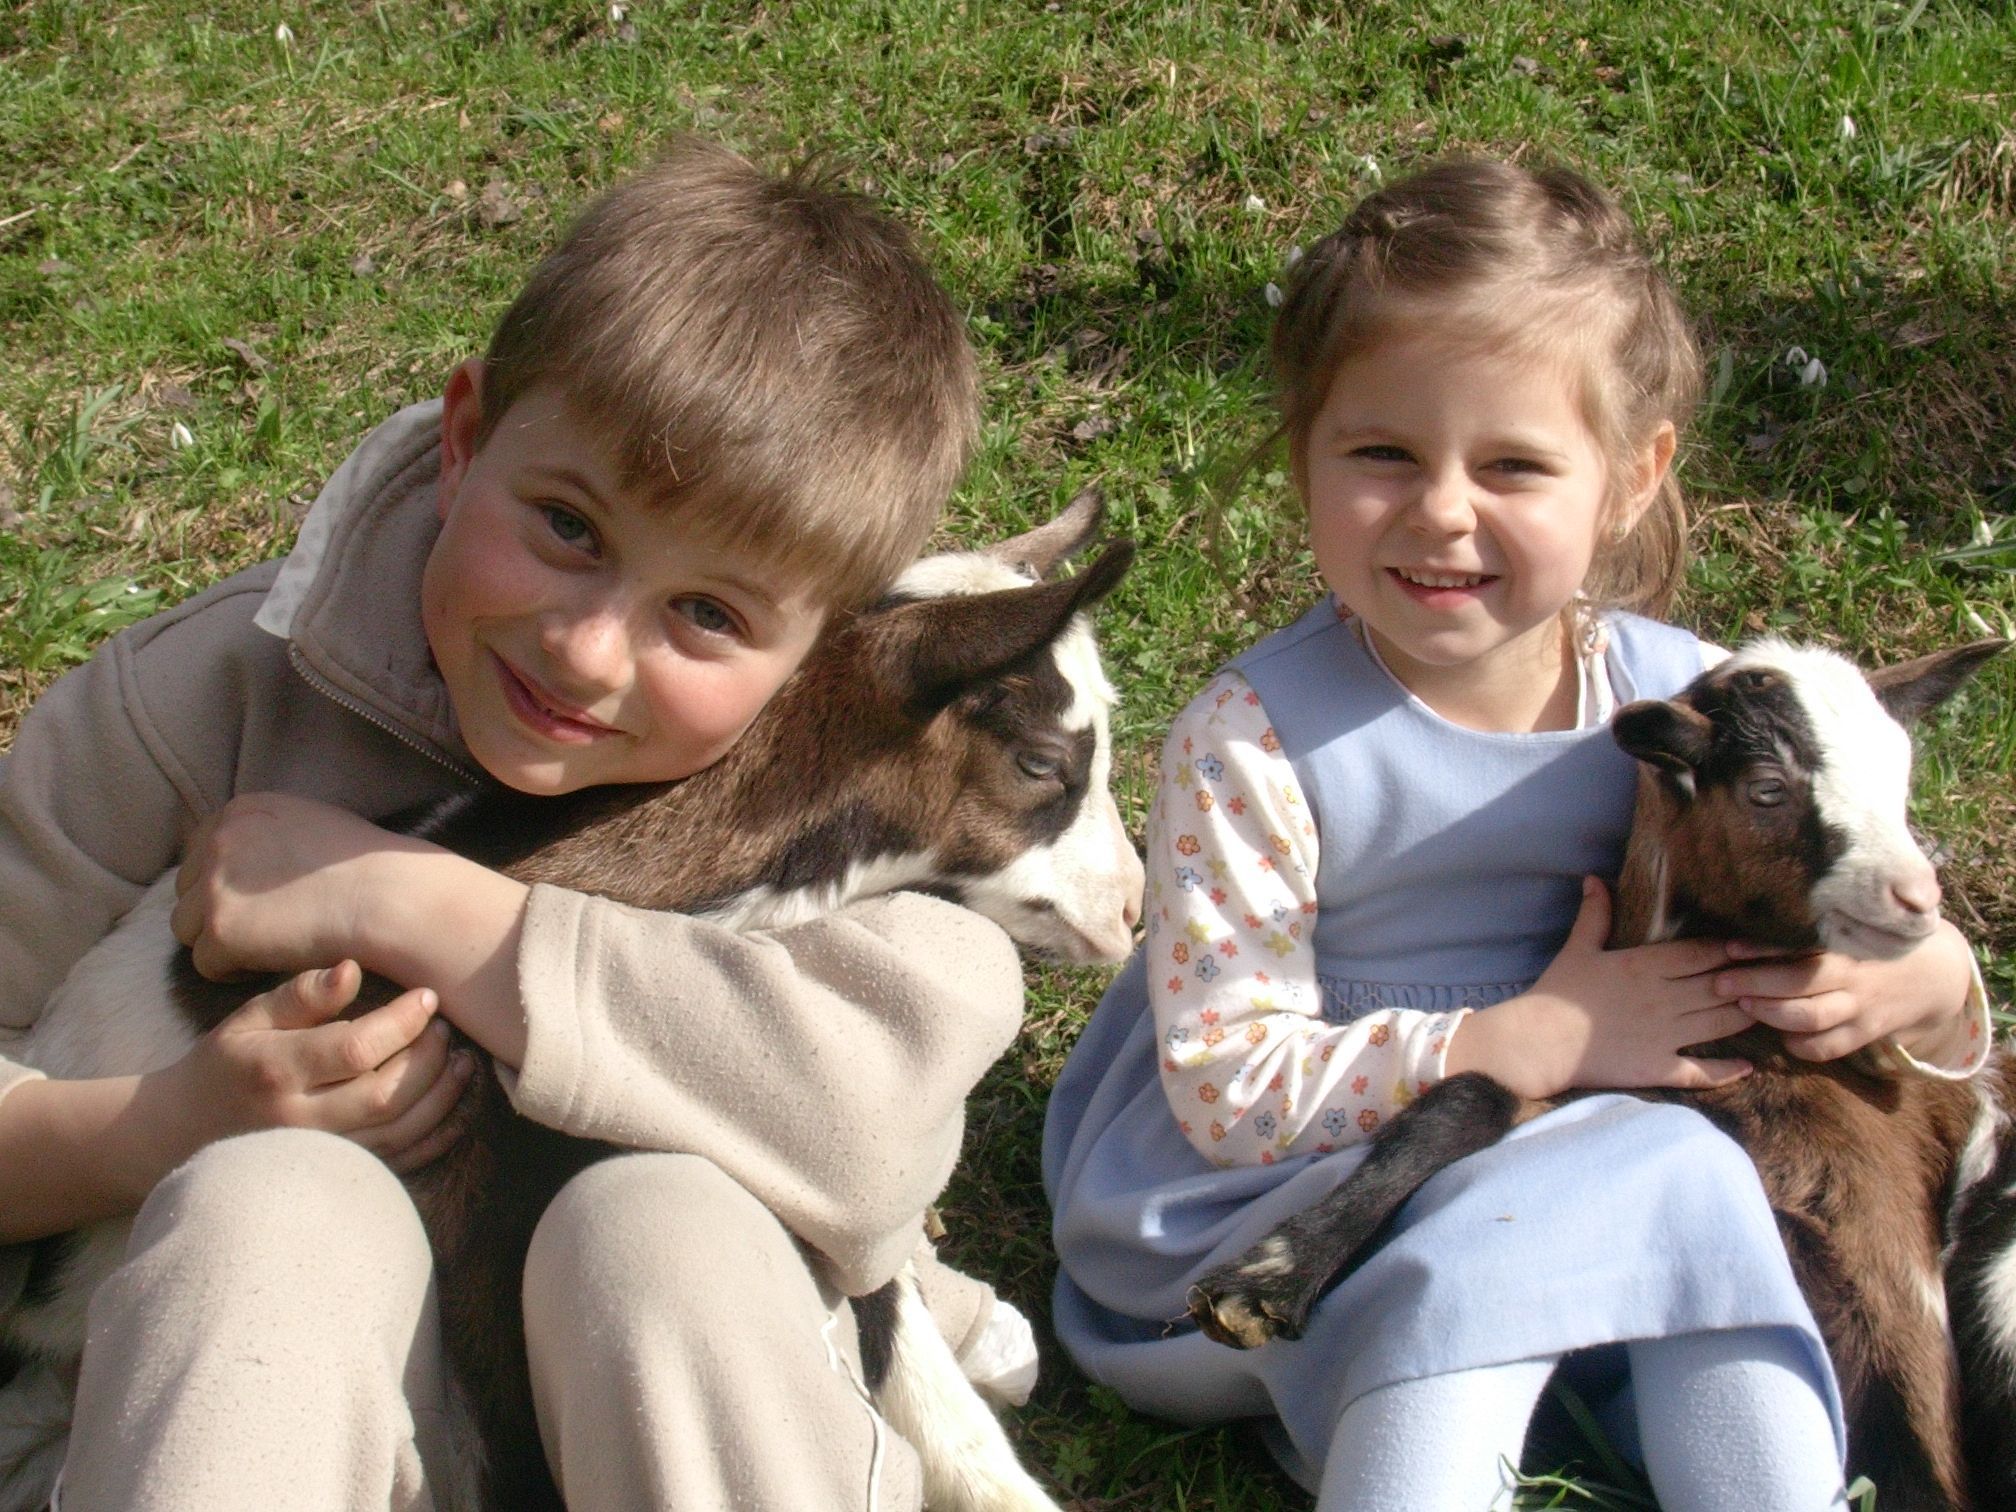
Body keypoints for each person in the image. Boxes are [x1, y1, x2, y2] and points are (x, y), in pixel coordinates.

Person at [0, 138, 1040, 1512]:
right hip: (263, 1414)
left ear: (826, 653)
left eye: (710, 615)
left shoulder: (841, 806)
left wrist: (418, 905)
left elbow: (870, 1146)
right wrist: (163, 1122)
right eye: (565, 526)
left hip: (631, 1414)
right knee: (276, 1208)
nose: (592, 652)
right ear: (464, 435)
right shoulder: (186, 708)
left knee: (663, 1231)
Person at [1043, 158, 1992, 1512]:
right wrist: (1517, 1042)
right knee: (1601, 1221)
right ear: (1302, 449)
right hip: (1296, 1195)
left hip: (1604, 1147)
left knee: (1698, 1223)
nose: (1440, 510)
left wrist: (1931, 980)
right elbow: (1225, 1088)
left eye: (1513, 465)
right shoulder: (1258, 737)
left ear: (1628, 476)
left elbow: (1858, 876)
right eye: (1381, 454)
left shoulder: (1704, 706)